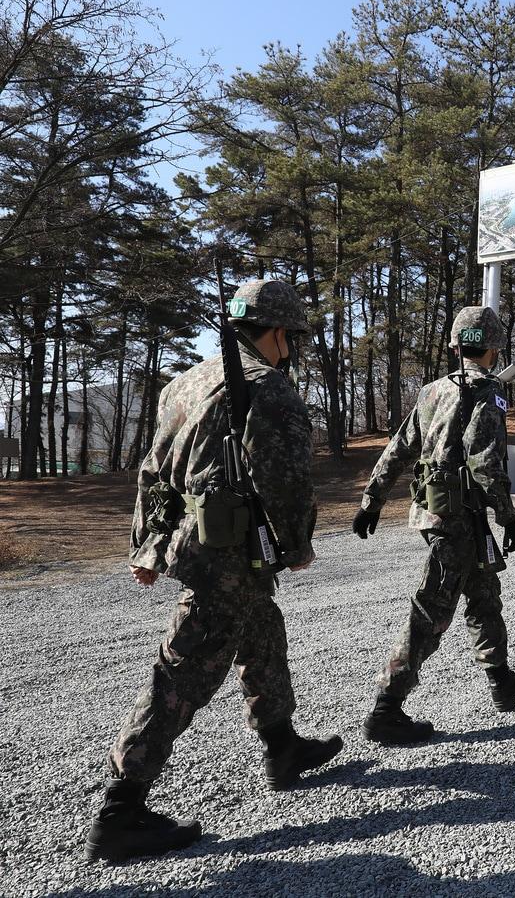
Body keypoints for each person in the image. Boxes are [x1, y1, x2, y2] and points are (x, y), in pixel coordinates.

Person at [90, 280, 340, 864]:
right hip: (231, 555)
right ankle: (121, 810)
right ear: (277, 334)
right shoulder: (268, 388)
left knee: (263, 631)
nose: (292, 348)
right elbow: (285, 479)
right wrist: (298, 543)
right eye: (291, 338)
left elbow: (154, 471)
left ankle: (281, 746)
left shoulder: (184, 383)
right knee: (185, 671)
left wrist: (148, 546)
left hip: (198, 544)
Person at [353, 306, 515, 746]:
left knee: (483, 591)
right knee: (432, 609)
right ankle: (385, 708)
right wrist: (507, 514)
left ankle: (500, 677)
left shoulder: (433, 391)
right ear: (494, 348)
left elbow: (400, 447)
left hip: (439, 511)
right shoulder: (488, 391)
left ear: (455, 345)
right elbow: (484, 459)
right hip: (457, 516)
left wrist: (371, 500)